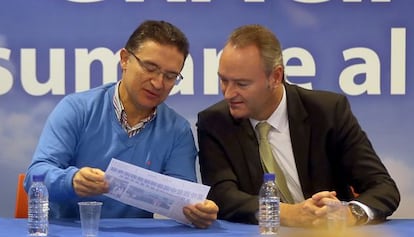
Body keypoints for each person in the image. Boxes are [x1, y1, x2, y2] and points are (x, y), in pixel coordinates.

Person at [196, 24, 399, 227]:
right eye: (223, 80)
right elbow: (222, 196)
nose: (228, 93)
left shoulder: (328, 112)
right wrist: (287, 213)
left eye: (242, 84)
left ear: (275, 77)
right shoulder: (215, 122)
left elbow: (383, 187)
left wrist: (348, 214)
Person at [24, 20, 218, 229]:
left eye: (170, 76)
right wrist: (72, 181)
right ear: (125, 59)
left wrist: (197, 211)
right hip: (69, 230)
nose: (158, 83)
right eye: (150, 68)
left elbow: (182, 199)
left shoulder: (177, 130)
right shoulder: (77, 109)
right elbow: (35, 175)